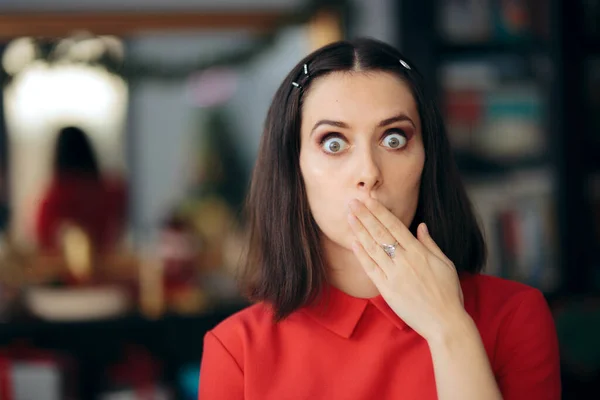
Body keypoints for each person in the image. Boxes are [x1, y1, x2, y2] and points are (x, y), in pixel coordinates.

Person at [198, 38, 560, 399]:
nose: (368, 172)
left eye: (393, 139)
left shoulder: (514, 316)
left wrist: (449, 329)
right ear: (294, 167)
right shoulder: (236, 350)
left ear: (426, 159)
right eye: (333, 143)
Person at [35, 126, 126, 253]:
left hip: (63, 269)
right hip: (109, 264)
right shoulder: (110, 190)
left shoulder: (55, 196)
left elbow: (42, 236)